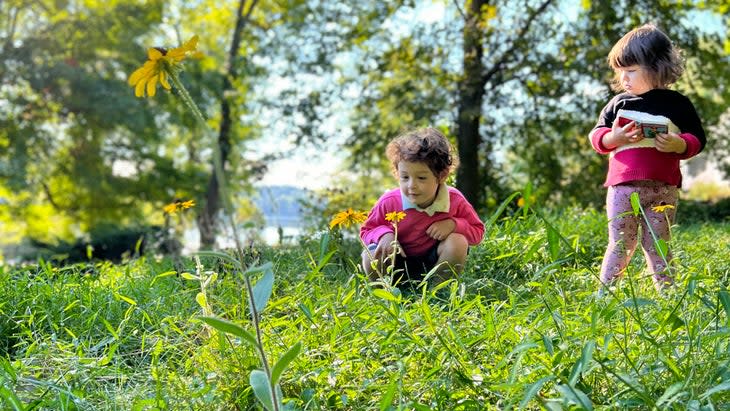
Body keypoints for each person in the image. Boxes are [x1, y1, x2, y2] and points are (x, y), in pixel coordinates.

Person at [589, 24, 706, 289]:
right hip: (623, 188)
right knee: (620, 242)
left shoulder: (678, 104)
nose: (624, 78)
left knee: (659, 243)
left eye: (631, 71)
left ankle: (667, 292)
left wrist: (679, 145)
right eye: (620, 72)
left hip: (663, 189)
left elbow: (697, 139)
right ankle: (606, 292)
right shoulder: (619, 103)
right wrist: (614, 138)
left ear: (657, 67)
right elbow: (596, 136)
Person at [360, 127, 485, 287]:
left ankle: (438, 291)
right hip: (397, 262)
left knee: (458, 241)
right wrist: (384, 235)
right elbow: (367, 230)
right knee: (371, 254)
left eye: (421, 177)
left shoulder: (454, 200)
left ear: (441, 176)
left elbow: (478, 232)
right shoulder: (390, 201)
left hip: (434, 263)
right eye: (405, 177)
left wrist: (454, 225)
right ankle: (385, 294)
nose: (412, 186)